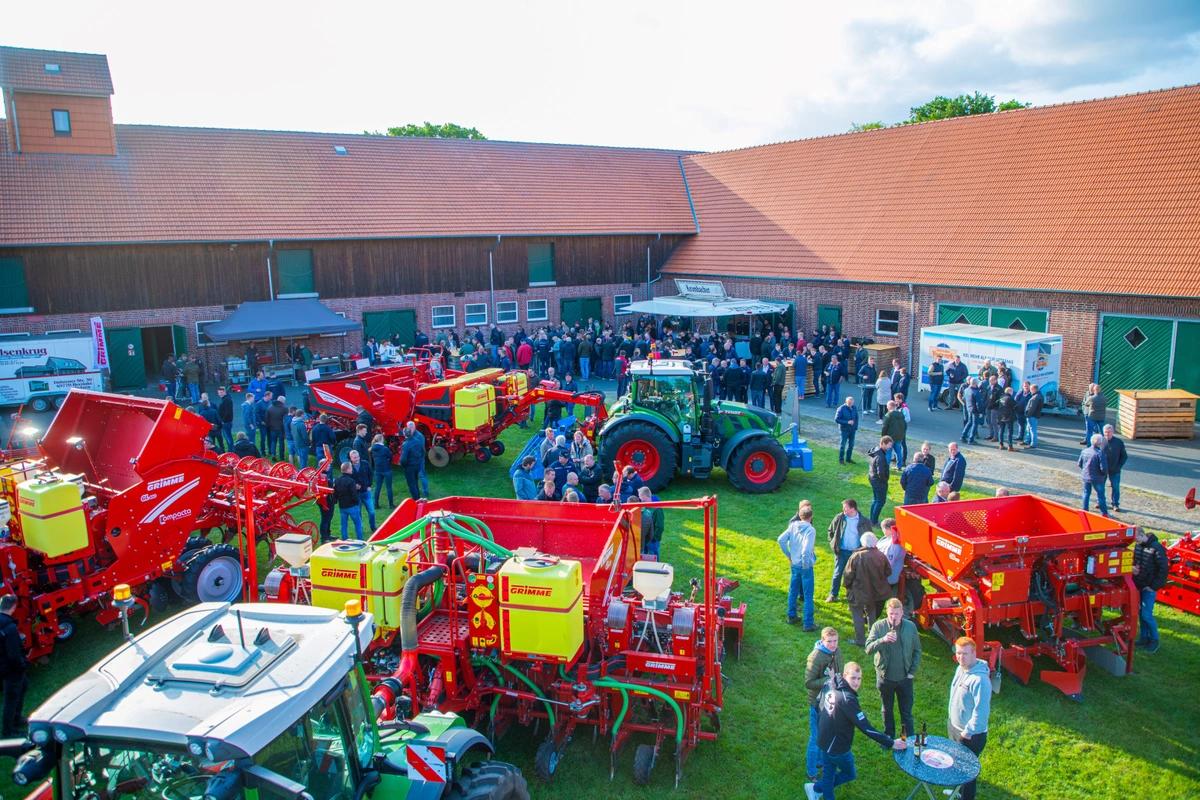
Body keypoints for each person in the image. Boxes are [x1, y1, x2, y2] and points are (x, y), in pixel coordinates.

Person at [808, 661, 906, 800]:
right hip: (837, 748)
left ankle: (815, 788)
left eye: (859, 678)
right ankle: (818, 788)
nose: (856, 682)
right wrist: (891, 742)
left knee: (828, 774)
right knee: (849, 774)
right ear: (844, 676)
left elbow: (821, 708)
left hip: (824, 742)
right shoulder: (848, 699)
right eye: (853, 678)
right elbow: (866, 728)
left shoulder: (833, 684)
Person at [865, 598, 921, 739]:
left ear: (902, 612)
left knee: (906, 712)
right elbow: (868, 649)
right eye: (891, 614)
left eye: (896, 613)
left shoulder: (910, 627)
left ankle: (908, 738)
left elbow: (917, 650)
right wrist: (882, 640)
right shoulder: (878, 626)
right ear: (887, 613)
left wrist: (911, 672)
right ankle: (889, 737)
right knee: (887, 710)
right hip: (885, 678)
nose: (894, 617)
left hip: (905, 678)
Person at [947, 637, 992, 800]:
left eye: (965, 654)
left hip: (970, 735)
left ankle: (966, 797)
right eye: (958, 653)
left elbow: (982, 712)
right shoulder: (961, 669)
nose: (960, 657)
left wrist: (967, 732)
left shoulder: (980, 680)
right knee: (955, 763)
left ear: (974, 653)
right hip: (954, 726)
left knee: (967, 770)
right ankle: (957, 792)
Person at [804, 627, 843, 783]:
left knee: (826, 735)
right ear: (822, 640)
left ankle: (820, 762)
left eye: (835, 641)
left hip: (832, 701)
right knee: (815, 738)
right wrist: (828, 681)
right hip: (818, 704)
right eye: (829, 641)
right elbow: (808, 683)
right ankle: (811, 772)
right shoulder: (815, 657)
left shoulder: (838, 652)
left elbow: (840, 672)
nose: (833, 644)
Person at [842, 532, 891, 647]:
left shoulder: (856, 556)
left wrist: (847, 586)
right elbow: (888, 572)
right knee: (871, 612)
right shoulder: (881, 555)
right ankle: (873, 635)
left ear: (863, 542)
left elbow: (848, 575)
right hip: (875, 591)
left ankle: (860, 640)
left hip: (858, 591)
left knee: (857, 614)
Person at [778, 502, 818, 629]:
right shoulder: (810, 530)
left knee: (793, 591)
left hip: (794, 564)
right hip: (805, 567)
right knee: (807, 595)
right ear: (811, 517)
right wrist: (806, 564)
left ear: (799, 515)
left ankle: (792, 616)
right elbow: (806, 550)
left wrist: (789, 555)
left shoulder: (793, 525)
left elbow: (781, 540)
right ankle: (808, 623)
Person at [825, 499, 872, 602]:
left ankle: (852, 597)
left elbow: (869, 536)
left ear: (852, 508)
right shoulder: (840, 518)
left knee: (855, 576)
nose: (843, 510)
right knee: (837, 574)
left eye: (845, 508)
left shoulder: (864, 521)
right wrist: (833, 544)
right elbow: (831, 531)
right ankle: (833, 594)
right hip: (841, 552)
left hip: (856, 553)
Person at [1132, 527, 1169, 653]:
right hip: (1139, 585)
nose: (1135, 542)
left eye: (1136, 539)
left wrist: (1153, 586)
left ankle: (1154, 640)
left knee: (1146, 615)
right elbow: (1135, 560)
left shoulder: (1157, 548)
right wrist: (1133, 568)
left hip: (1149, 587)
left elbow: (1163, 570)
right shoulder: (1138, 546)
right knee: (1141, 614)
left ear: (1142, 535)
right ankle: (1144, 638)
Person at [0, 594, 28, 737]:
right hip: (12, 669)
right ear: (13, 607)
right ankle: (8, 730)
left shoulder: (3, 622)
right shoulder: (9, 627)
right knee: (11, 698)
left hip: (4, 667)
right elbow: (13, 653)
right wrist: (22, 665)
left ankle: (17, 718)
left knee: (22, 688)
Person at [1077, 433, 1108, 515]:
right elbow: (1103, 468)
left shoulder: (1084, 451)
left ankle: (1085, 510)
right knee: (1101, 495)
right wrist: (1104, 474)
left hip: (1086, 476)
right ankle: (1104, 512)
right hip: (1097, 478)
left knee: (1086, 493)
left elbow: (1079, 464)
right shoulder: (1100, 453)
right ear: (1100, 443)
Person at [866, 437, 893, 524]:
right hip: (879, 482)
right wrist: (885, 480)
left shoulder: (876, 451)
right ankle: (874, 521)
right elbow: (880, 472)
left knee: (876, 499)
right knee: (880, 501)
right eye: (889, 445)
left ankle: (872, 519)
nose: (890, 447)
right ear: (883, 444)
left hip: (873, 478)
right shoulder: (880, 457)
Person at [1102, 424, 1128, 512]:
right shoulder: (1100, 441)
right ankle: (1100, 502)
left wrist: (1119, 466)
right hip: (1102, 470)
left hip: (1115, 470)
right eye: (1105, 432)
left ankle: (1115, 504)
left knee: (1115, 487)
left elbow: (1124, 456)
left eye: (1109, 432)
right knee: (1101, 487)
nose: (1107, 434)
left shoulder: (1119, 442)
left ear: (1112, 432)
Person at [333, 462, 362, 540]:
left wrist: (336, 501)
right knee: (358, 524)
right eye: (351, 468)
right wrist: (357, 502)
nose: (352, 469)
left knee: (344, 525)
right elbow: (354, 494)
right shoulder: (351, 481)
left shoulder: (337, 480)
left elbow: (335, 493)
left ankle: (344, 539)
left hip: (342, 507)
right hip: (352, 506)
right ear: (348, 469)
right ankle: (360, 540)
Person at [348, 449, 376, 531]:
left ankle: (373, 527)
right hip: (356, 494)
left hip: (366, 492)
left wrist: (370, 485)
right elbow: (347, 479)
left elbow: (370, 474)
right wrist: (354, 486)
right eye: (354, 458)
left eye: (357, 457)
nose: (356, 459)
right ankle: (360, 529)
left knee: (372, 512)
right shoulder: (349, 467)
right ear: (351, 458)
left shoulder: (365, 463)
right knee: (358, 513)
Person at [876, 519, 904, 597]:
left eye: (883, 529)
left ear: (888, 529)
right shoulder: (887, 539)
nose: (883, 532)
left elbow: (888, 563)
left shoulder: (894, 544)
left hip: (887, 578)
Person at [399, 421, 425, 501]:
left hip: (409, 467)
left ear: (405, 434)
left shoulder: (406, 444)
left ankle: (416, 500)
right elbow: (423, 451)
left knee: (411, 484)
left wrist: (403, 465)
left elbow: (403, 459)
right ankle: (418, 497)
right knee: (416, 481)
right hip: (417, 464)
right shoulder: (417, 441)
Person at [637, 486, 664, 557]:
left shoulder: (657, 509)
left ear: (645, 496)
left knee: (653, 555)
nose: (640, 500)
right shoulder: (644, 507)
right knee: (645, 555)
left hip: (652, 540)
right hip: (645, 538)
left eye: (641, 498)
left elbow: (660, 526)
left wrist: (654, 538)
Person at [370, 433, 394, 509]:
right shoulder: (385, 449)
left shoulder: (372, 448)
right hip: (386, 469)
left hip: (377, 470)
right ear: (381, 440)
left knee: (377, 487)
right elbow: (390, 456)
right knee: (389, 487)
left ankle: (375, 504)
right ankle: (391, 504)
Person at [881, 401, 907, 468]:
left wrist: (883, 437)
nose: (886, 407)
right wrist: (902, 434)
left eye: (887, 406)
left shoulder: (888, 415)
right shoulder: (901, 414)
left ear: (889, 406)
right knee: (898, 452)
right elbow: (905, 426)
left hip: (890, 437)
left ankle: (886, 466)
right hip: (899, 437)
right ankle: (899, 466)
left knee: (888, 452)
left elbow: (884, 427)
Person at [834, 396, 858, 465]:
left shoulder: (854, 407)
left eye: (852, 403)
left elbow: (856, 418)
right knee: (843, 445)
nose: (851, 405)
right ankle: (841, 459)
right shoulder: (841, 409)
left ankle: (848, 459)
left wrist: (855, 427)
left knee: (851, 445)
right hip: (844, 430)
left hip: (852, 430)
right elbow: (836, 419)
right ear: (846, 402)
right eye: (849, 403)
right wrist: (847, 422)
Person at [996, 386, 1017, 451]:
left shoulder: (1001, 397)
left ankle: (1001, 444)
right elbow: (1015, 406)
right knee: (1009, 432)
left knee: (1001, 431)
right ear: (1010, 392)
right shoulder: (1010, 398)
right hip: (1009, 417)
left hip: (1001, 416)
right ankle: (1010, 446)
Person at [216, 386, 234, 452]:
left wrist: (223, 420)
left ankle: (231, 450)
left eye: (221, 392)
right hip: (227, 421)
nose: (219, 394)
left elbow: (227, 412)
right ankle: (231, 449)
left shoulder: (227, 400)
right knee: (227, 436)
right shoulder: (226, 399)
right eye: (219, 393)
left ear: (224, 392)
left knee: (228, 437)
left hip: (226, 422)